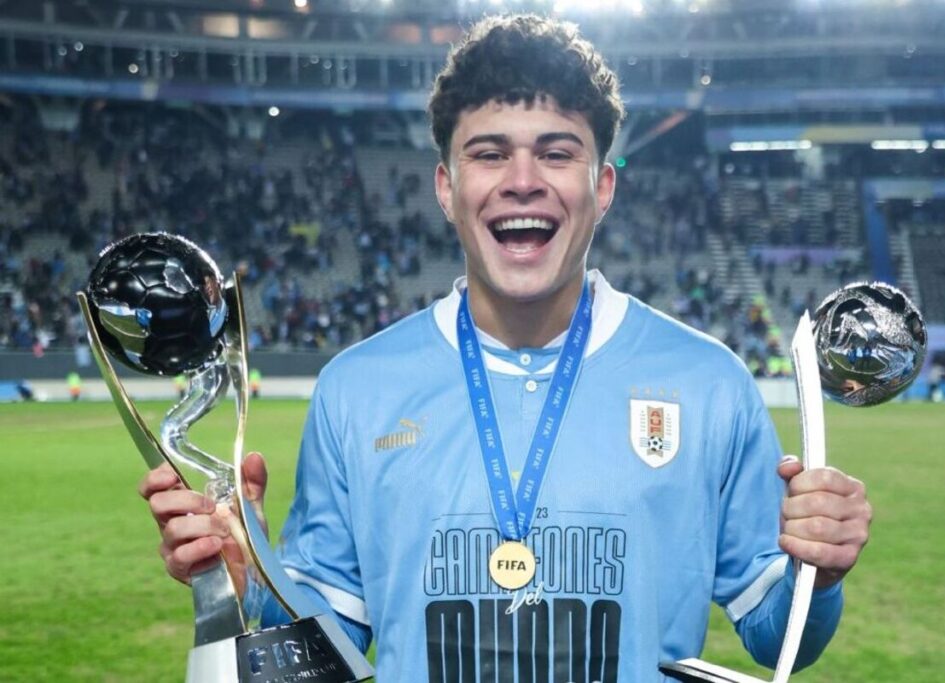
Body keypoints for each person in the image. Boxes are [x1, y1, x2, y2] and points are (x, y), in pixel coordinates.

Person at [140, 14, 872, 680]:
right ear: (446, 187)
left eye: (556, 153)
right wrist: (250, 572)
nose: (523, 182)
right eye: (489, 155)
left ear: (603, 185)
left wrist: (821, 571)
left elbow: (778, 640)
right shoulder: (355, 388)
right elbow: (334, 640)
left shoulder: (710, 381)